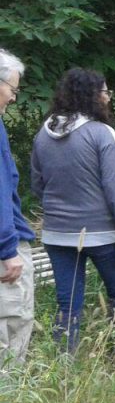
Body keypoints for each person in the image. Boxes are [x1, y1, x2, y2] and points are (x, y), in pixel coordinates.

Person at [31, 69, 115, 352]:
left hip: (56, 234)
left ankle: (64, 365)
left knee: (67, 305)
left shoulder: (43, 134)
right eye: (105, 92)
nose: (108, 98)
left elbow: (37, 185)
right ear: (92, 96)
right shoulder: (102, 133)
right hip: (104, 234)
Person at [0, 49, 35, 366]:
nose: (13, 97)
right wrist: (7, 248)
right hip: (5, 252)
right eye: (12, 89)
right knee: (12, 322)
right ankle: (9, 393)